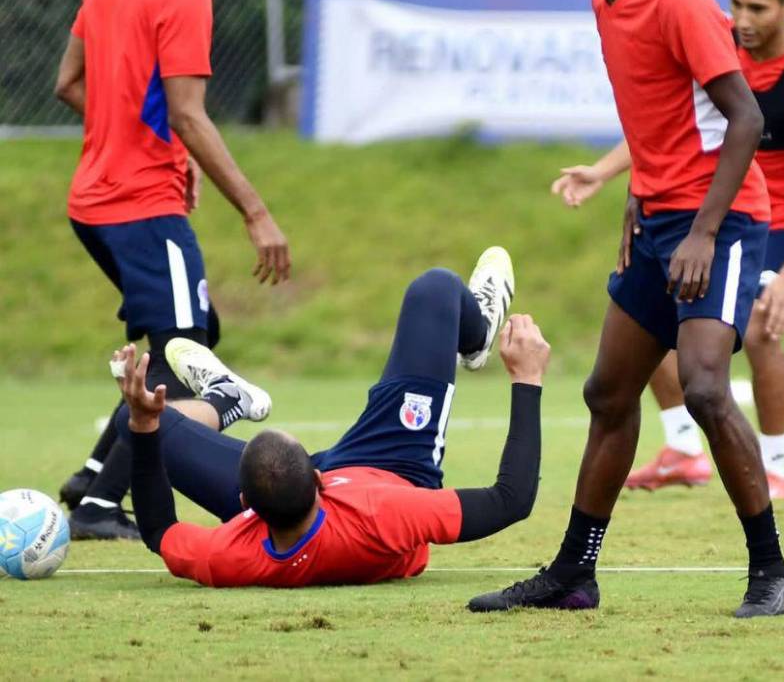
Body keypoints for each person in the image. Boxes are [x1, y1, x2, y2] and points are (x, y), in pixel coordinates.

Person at [470, 0, 784, 619]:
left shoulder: (677, 0)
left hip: (722, 222)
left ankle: (772, 574)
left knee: (705, 386)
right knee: (608, 393)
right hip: (657, 221)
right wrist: (636, 197)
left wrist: (703, 234)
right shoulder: (605, 1)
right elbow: (660, 116)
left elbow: (747, 119)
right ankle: (574, 574)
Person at [53, 0, 290, 541]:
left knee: (181, 340)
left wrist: (129, 134)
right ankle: (101, 506)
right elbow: (188, 113)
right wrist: (256, 212)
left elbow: (68, 83)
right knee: (188, 360)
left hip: (91, 206)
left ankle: (92, 478)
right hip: (143, 208)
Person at [552, 0, 784, 501]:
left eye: (758, 8)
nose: (743, 20)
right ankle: (684, 448)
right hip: (709, 204)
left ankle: (774, 467)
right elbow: (673, 127)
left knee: (759, 331)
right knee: (652, 325)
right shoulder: (716, 42)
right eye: (736, 4)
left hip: (778, 220)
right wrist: (604, 173)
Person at [115, 248, 534, 587]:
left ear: (244, 505)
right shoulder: (386, 514)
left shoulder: (230, 554)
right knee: (436, 288)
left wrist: (144, 424)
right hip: (394, 464)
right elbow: (510, 500)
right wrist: (526, 378)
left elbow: (160, 531)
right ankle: (477, 338)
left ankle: (226, 399)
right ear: (318, 479)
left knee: (132, 422)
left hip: (301, 503)